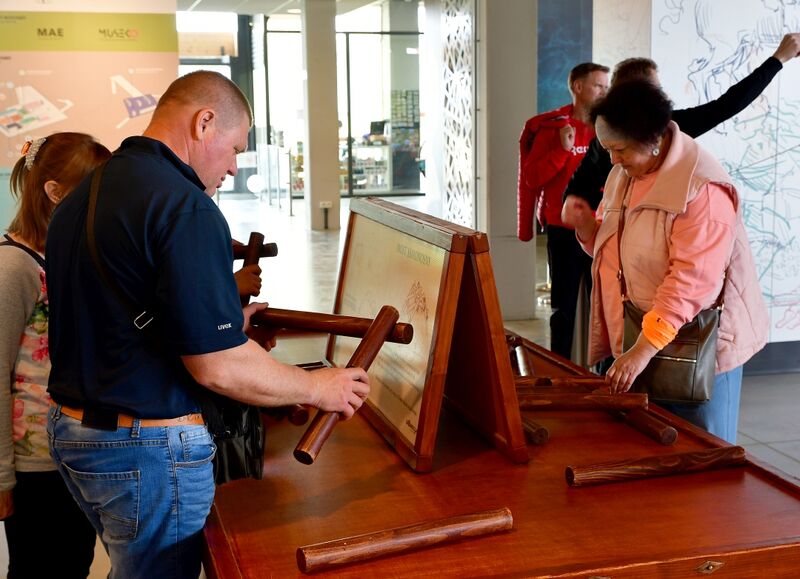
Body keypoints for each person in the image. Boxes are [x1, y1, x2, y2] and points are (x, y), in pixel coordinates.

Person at [45, 71, 370, 579]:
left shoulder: (87, 193)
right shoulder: (185, 205)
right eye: (236, 148)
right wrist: (316, 386)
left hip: (74, 432)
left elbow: (110, 312)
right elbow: (218, 368)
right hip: (144, 447)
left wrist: (220, 320)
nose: (235, 168)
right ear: (204, 122)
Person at [562, 80, 768, 443]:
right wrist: (586, 229)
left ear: (652, 139)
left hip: (695, 346)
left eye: (619, 149)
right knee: (651, 452)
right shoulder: (624, 175)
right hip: (645, 337)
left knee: (700, 457)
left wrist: (641, 350)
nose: (613, 160)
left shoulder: (702, 189)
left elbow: (692, 283)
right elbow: (624, 254)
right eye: (606, 149)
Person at [0, 133, 111, 578]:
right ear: (54, 192)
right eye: (94, 193)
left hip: (68, 454)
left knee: (71, 562)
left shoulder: (60, 254)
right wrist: (2, 478)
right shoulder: (13, 267)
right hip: (33, 467)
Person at [563, 32, 800, 212]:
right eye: (656, 90)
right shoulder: (607, 140)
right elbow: (576, 194)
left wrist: (778, 60)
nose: (615, 158)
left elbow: (725, 106)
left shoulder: (668, 128)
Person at [517, 62, 609, 360]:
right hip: (561, 229)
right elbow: (531, 178)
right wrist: (562, 150)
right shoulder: (554, 127)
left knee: (604, 305)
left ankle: (604, 371)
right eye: (598, 85)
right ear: (578, 87)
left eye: (607, 86)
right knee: (564, 307)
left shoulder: (609, 127)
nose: (604, 91)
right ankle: (560, 366)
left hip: (600, 229)